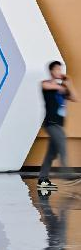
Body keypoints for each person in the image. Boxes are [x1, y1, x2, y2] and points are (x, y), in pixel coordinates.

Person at [39, 61, 75, 189]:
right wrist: (62, 87)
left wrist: (69, 83)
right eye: (57, 69)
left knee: (51, 154)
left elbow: (74, 97)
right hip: (51, 123)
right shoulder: (45, 83)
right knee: (62, 141)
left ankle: (43, 181)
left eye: (61, 69)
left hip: (59, 123)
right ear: (51, 71)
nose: (60, 72)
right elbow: (49, 87)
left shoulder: (63, 87)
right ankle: (65, 170)